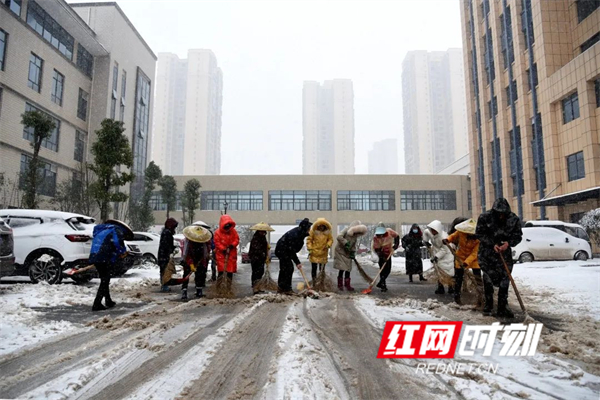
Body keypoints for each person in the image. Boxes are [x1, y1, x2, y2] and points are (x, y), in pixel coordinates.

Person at [475, 198, 523, 318]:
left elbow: (518, 236)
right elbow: (479, 234)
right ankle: (489, 305)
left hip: (504, 254)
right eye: (498, 213)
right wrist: (492, 244)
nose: (501, 216)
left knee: (504, 280)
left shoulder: (513, 219)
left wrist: (508, 243)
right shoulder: (485, 217)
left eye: (503, 213)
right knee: (488, 280)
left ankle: (502, 306)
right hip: (487, 254)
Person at [89, 220, 133, 311]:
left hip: (95, 255)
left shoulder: (102, 230)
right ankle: (96, 304)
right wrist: (122, 252)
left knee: (105, 279)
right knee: (105, 280)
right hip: (103, 256)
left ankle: (108, 301)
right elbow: (117, 243)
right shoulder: (116, 230)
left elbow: (107, 244)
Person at [445, 218, 482, 306]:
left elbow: (474, 253)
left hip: (473, 260)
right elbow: (453, 236)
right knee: (458, 279)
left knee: (478, 279)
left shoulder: (478, 239)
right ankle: (457, 298)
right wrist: (447, 240)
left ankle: (480, 298)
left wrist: (466, 262)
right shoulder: (461, 232)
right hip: (460, 257)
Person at [275, 218, 312, 294]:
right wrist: (297, 262)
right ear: (305, 228)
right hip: (282, 250)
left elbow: (292, 250)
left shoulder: (300, 233)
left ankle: (282, 288)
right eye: (309, 228)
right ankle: (285, 288)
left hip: (285, 250)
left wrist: (297, 262)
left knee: (286, 268)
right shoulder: (295, 235)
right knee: (287, 268)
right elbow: (291, 250)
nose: (309, 230)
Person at [333, 220, 368, 291]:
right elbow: (339, 237)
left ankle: (347, 284)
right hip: (340, 252)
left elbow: (353, 245)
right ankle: (340, 285)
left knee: (348, 269)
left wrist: (353, 252)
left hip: (348, 253)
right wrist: (345, 243)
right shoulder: (346, 230)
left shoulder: (355, 235)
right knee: (342, 268)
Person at [180, 224, 212, 300]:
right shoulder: (189, 243)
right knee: (186, 275)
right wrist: (191, 264)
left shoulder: (203, 242)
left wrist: (201, 262)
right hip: (189, 261)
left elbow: (205, 253)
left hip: (199, 260)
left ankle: (199, 290)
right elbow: (187, 255)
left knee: (199, 275)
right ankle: (184, 291)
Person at [423, 220, 453, 294]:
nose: (432, 232)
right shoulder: (431, 233)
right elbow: (425, 232)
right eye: (432, 230)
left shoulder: (443, 237)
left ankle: (451, 287)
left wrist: (436, 257)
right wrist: (425, 241)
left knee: (448, 272)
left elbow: (445, 250)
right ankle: (440, 287)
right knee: (438, 272)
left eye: (434, 230)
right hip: (437, 253)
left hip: (446, 256)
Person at [372, 222, 400, 292]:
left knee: (388, 270)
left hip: (388, 253)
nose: (380, 235)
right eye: (379, 234)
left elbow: (397, 236)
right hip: (380, 254)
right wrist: (382, 256)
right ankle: (383, 285)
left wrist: (396, 245)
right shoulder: (375, 237)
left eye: (382, 234)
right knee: (382, 269)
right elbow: (376, 248)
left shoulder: (390, 232)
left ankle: (381, 282)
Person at [248, 222, 274, 294]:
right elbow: (255, 248)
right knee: (256, 273)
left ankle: (259, 286)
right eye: (263, 232)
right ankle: (255, 287)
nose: (264, 233)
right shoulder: (255, 238)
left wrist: (266, 251)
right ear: (259, 231)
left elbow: (264, 247)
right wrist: (261, 252)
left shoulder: (263, 238)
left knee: (260, 272)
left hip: (261, 258)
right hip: (255, 259)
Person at [306, 218, 334, 283]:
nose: (321, 227)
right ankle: (314, 281)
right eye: (320, 226)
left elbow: (330, 239)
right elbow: (309, 240)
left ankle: (321, 282)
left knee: (322, 270)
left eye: (322, 226)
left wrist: (328, 245)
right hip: (314, 253)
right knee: (314, 269)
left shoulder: (327, 233)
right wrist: (310, 248)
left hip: (323, 253)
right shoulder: (313, 232)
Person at [214, 215, 240, 283]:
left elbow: (236, 239)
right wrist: (223, 249)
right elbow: (217, 242)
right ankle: (219, 287)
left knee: (230, 272)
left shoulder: (233, 231)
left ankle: (228, 287)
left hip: (231, 254)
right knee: (221, 272)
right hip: (221, 254)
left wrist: (232, 245)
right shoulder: (217, 233)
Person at [158, 218, 178, 292]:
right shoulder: (167, 233)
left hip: (163, 255)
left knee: (164, 270)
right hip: (164, 256)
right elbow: (166, 245)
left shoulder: (166, 232)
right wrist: (171, 249)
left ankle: (164, 284)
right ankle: (164, 285)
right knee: (165, 270)